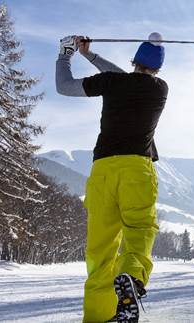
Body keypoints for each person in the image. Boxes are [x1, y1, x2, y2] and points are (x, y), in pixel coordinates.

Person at [55, 35, 167, 323]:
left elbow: (64, 87)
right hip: (136, 171)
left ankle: (97, 318)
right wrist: (89, 55)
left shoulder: (113, 83)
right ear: (157, 67)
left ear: (135, 61)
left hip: (103, 171)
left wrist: (67, 55)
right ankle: (130, 276)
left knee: (100, 254)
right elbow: (124, 76)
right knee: (140, 230)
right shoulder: (159, 89)